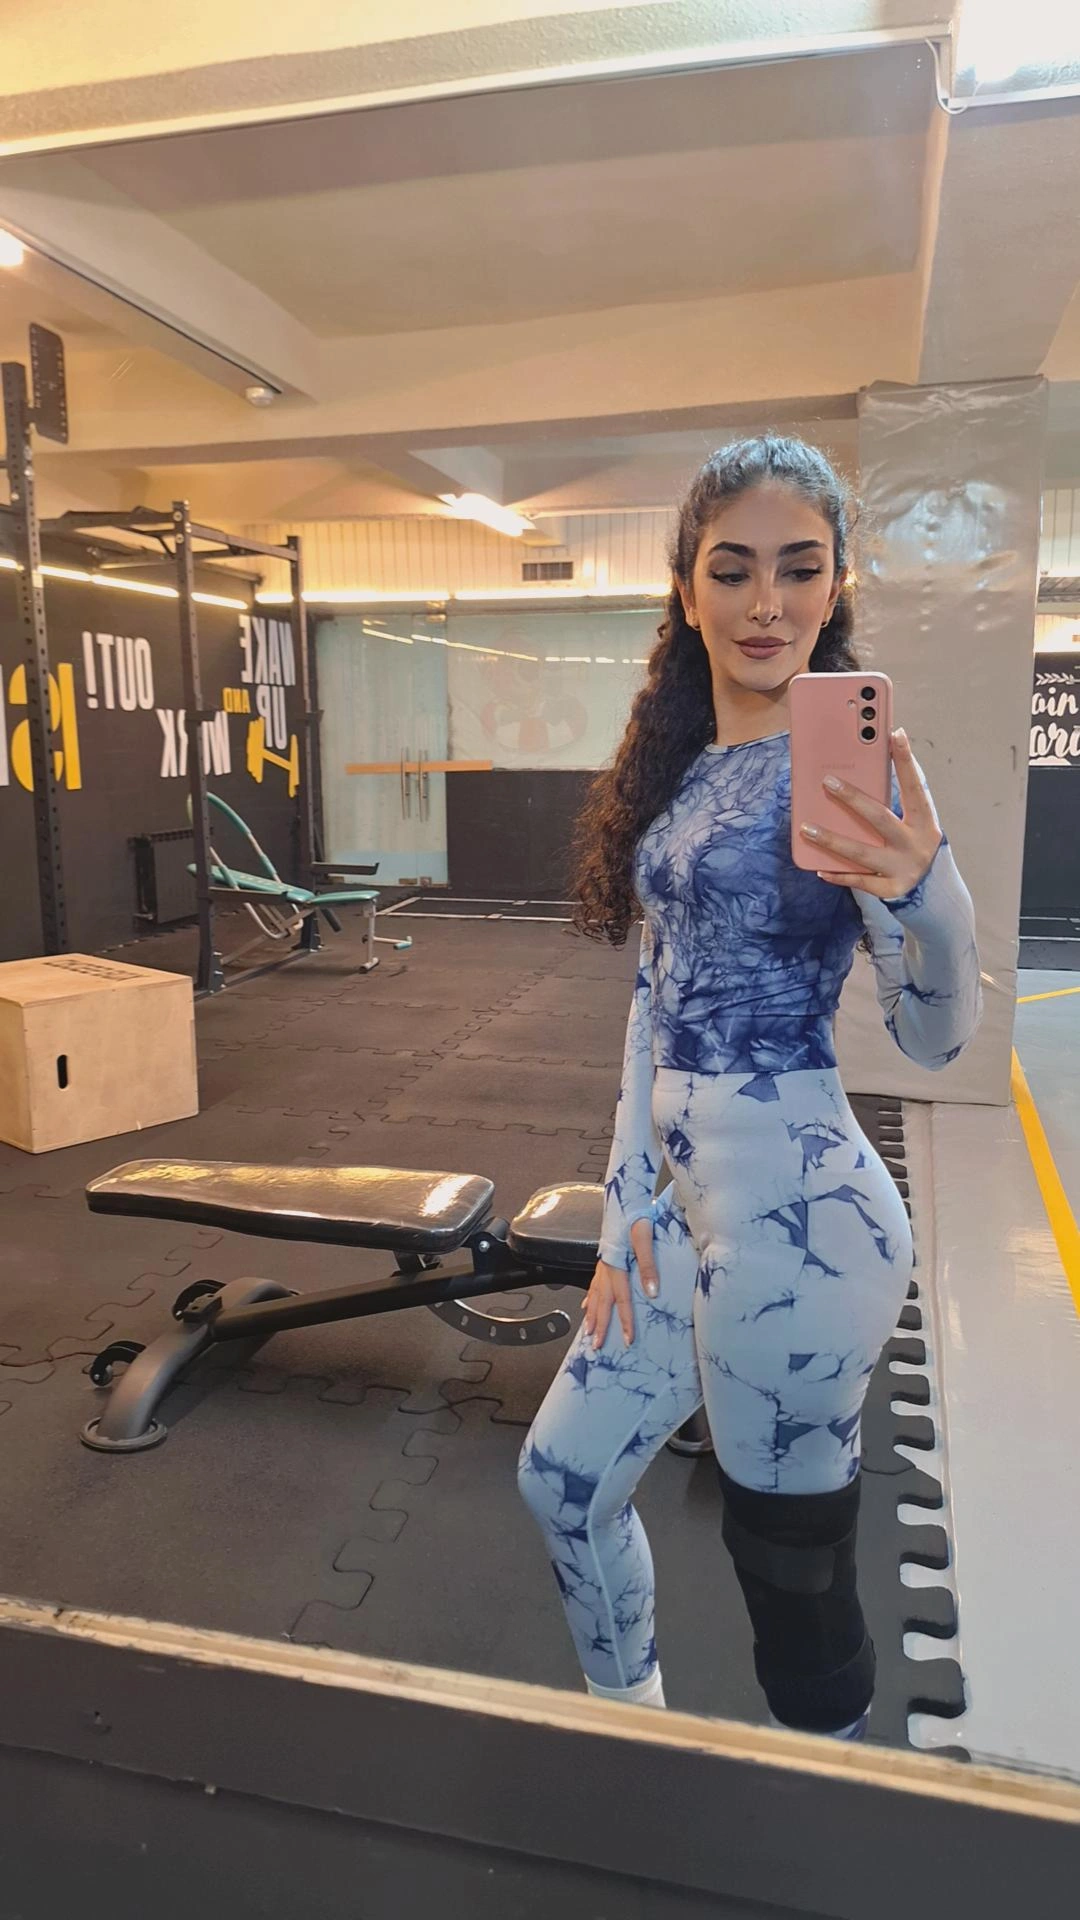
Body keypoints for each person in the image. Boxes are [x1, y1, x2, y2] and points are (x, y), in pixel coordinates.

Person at [518, 436, 981, 1739]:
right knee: (561, 1483)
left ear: (836, 587)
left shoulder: (849, 779)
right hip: (676, 1213)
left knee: (794, 1598)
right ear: (686, 590)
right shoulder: (681, 770)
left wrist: (929, 899)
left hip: (805, 1222)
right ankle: (638, 1739)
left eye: (799, 568)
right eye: (732, 570)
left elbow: (938, 1037)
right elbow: (653, 1001)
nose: (766, 602)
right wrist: (623, 1209)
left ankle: (818, 1821)